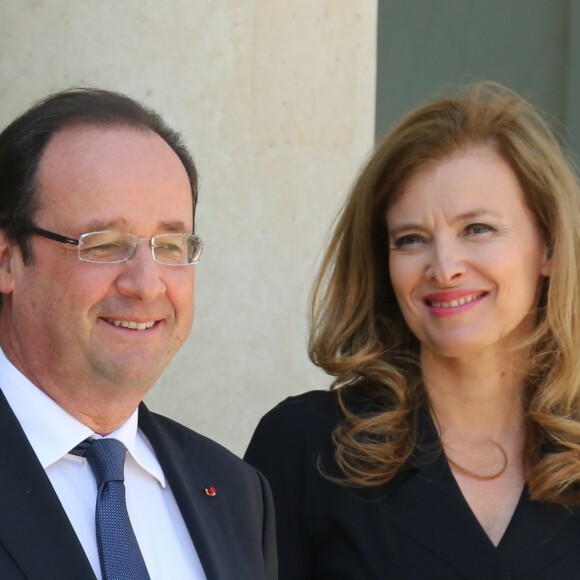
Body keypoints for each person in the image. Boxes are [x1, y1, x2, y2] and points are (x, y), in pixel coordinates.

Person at [245, 81, 580, 579]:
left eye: (477, 229)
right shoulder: (307, 446)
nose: (444, 268)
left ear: (549, 247)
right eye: (412, 239)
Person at [0, 88, 276, 580]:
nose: (147, 285)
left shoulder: (238, 494)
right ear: (8, 260)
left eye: (171, 246)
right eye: (104, 244)